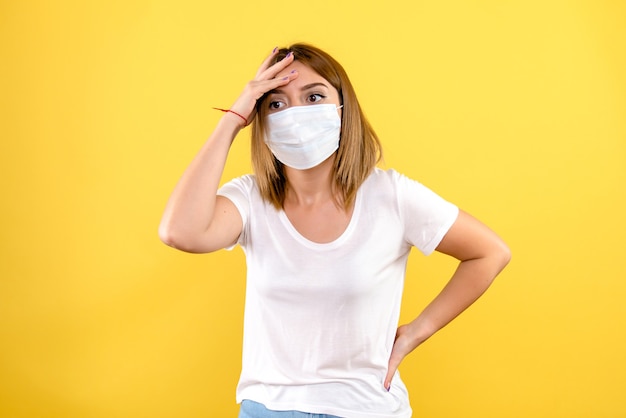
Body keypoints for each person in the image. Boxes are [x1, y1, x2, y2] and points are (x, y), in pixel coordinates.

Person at [159, 43, 511, 418]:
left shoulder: (390, 195)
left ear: (343, 109)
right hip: (268, 408)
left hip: (365, 408)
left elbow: (490, 252)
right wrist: (232, 117)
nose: (295, 113)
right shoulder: (251, 199)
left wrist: (414, 333)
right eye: (275, 104)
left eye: (314, 96)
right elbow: (180, 232)